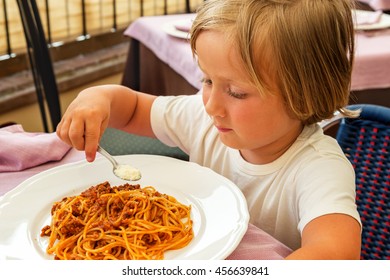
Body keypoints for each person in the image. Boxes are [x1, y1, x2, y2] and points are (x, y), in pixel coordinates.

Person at [56, 0, 362, 259]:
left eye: (237, 92)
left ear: (305, 94)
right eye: (207, 80)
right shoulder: (205, 120)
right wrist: (98, 98)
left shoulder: (320, 168)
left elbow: (335, 253)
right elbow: (135, 108)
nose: (212, 105)